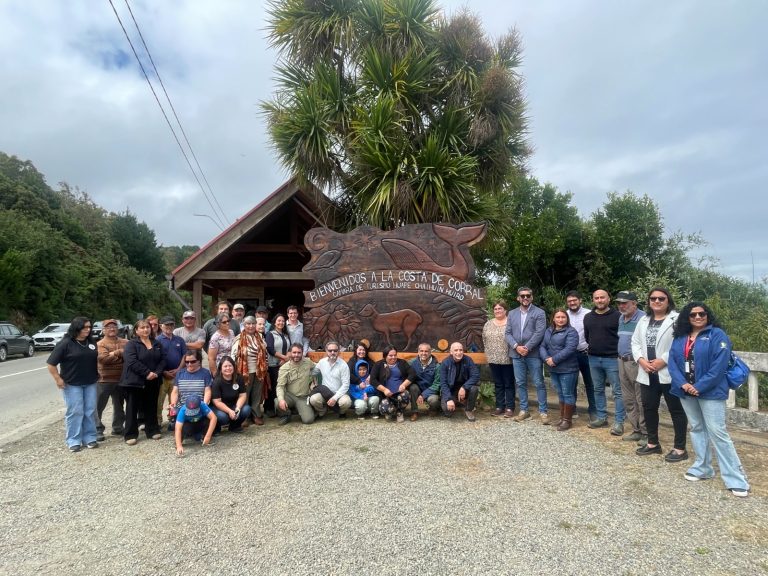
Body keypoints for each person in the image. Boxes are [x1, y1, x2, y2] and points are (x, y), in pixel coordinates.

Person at [669, 302, 750, 496]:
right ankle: (702, 468)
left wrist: (699, 386)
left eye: (701, 314)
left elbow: (719, 366)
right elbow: (672, 362)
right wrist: (683, 384)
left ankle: (736, 478)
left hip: (710, 392)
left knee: (718, 433)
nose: (697, 317)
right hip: (685, 391)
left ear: (707, 315)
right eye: (693, 314)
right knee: (696, 428)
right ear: (686, 318)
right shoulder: (680, 337)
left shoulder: (717, 335)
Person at [632, 288, 687, 461]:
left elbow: (682, 343)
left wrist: (663, 360)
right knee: (648, 408)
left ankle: (680, 448)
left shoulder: (677, 319)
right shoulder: (643, 319)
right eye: (653, 298)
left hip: (668, 372)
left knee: (676, 410)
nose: (656, 301)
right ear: (648, 301)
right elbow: (635, 342)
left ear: (668, 300)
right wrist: (641, 360)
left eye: (661, 298)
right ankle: (652, 443)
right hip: (647, 371)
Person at [46, 317, 99, 452]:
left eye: (89, 327)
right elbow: (51, 364)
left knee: (90, 410)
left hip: (91, 382)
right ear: (76, 328)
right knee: (75, 411)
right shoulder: (65, 343)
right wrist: (58, 379)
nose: (88, 330)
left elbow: (93, 359)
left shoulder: (91, 342)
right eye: (85, 327)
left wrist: (98, 372)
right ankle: (73, 440)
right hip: (72, 384)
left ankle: (90, 437)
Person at [583, 289, 624, 435]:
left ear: (608, 299)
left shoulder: (618, 316)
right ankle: (601, 417)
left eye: (602, 297)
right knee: (598, 389)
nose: (600, 300)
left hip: (612, 359)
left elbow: (622, 337)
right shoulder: (588, 317)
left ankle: (619, 422)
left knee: (618, 392)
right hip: (593, 358)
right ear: (593, 300)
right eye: (597, 298)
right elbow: (588, 337)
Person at [505, 286, 547, 423]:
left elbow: (540, 332)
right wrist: (517, 347)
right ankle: (524, 410)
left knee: (539, 382)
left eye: (528, 295)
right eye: (522, 296)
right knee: (520, 383)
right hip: (517, 354)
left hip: (533, 353)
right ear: (518, 298)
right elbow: (508, 333)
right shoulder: (512, 313)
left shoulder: (539, 313)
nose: (525, 298)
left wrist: (527, 347)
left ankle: (543, 411)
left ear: (532, 297)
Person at [120, 319, 165, 445]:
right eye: (142, 328)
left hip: (153, 381)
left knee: (151, 406)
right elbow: (131, 361)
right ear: (136, 331)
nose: (145, 330)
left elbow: (163, 359)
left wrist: (156, 372)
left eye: (147, 327)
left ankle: (152, 430)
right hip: (134, 382)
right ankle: (130, 434)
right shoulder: (131, 344)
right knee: (132, 408)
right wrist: (147, 373)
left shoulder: (157, 343)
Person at [539, 309, 579, 431]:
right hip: (554, 368)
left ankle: (567, 421)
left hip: (568, 368)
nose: (560, 319)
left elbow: (570, 349)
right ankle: (562, 418)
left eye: (563, 317)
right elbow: (542, 346)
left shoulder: (571, 332)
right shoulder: (549, 331)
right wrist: (546, 358)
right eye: (558, 317)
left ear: (567, 319)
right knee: (561, 394)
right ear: (553, 318)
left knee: (568, 394)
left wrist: (554, 359)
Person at [615, 291, 647, 443]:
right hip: (621, 361)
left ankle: (647, 433)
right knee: (628, 398)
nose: (621, 306)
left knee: (641, 398)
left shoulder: (643, 318)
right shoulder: (621, 318)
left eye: (625, 303)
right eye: (619, 303)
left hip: (636, 362)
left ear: (634, 303)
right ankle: (636, 430)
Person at [231, 315, 270, 425]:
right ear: (244, 325)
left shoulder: (260, 337)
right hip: (244, 371)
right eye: (248, 323)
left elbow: (265, 352)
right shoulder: (239, 338)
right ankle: (245, 416)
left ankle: (256, 415)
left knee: (257, 393)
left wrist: (265, 366)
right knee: (245, 394)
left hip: (259, 370)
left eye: (253, 323)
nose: (251, 326)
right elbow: (233, 355)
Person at [566, 290, 597, 420]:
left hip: (586, 354)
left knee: (591, 383)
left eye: (574, 300)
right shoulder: (564, 315)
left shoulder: (589, 314)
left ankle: (593, 411)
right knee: (571, 383)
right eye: (569, 301)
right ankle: (572, 410)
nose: (572, 303)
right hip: (570, 355)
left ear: (580, 300)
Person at [95, 318, 128, 440]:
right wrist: (119, 353)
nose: (112, 329)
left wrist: (112, 354)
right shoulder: (100, 344)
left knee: (119, 405)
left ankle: (118, 427)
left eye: (114, 326)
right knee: (99, 405)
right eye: (108, 327)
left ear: (118, 328)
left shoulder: (126, 342)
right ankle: (97, 429)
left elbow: (129, 357)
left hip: (121, 379)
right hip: (104, 380)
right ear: (103, 330)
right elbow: (103, 360)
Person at [483, 299, 515, 417]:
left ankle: (510, 407)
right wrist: (488, 352)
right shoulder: (488, 323)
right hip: (493, 358)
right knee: (498, 383)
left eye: (500, 308)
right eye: (495, 309)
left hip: (508, 358)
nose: (497, 311)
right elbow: (484, 339)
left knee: (508, 383)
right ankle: (499, 406)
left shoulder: (510, 322)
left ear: (505, 310)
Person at [170, 349, 213, 430]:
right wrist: (173, 404)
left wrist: (205, 404)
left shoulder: (205, 373)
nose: (189, 364)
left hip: (199, 405)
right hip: (182, 406)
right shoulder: (180, 373)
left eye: (193, 361)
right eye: (187, 362)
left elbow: (207, 391)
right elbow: (175, 392)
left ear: (199, 361)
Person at [275, 343, 317, 425]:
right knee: (277, 402)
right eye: (294, 352)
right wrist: (281, 400)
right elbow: (280, 386)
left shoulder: (308, 362)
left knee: (308, 420)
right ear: (290, 353)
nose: (296, 355)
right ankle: (286, 414)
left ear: (302, 353)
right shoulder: (284, 368)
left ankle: (299, 409)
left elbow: (318, 367)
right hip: (290, 396)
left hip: (303, 397)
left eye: (299, 352)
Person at [371, 345, 416, 422]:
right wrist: (384, 390)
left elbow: (412, 374)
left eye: (395, 355)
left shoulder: (402, 363)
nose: (393, 357)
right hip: (386, 395)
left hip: (399, 393)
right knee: (384, 409)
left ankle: (399, 411)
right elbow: (372, 380)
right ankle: (391, 411)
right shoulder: (378, 364)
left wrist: (404, 385)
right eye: (390, 355)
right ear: (385, 356)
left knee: (405, 395)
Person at [156, 315, 186, 427]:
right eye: (166, 324)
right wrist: (163, 371)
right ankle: (158, 420)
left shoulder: (179, 340)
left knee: (174, 399)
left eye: (171, 324)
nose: (169, 327)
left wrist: (179, 369)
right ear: (161, 326)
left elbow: (184, 355)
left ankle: (172, 419)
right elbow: (155, 358)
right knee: (159, 399)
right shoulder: (157, 340)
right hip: (162, 375)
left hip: (177, 375)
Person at [310, 341, 352, 418]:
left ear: (338, 351)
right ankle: (322, 411)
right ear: (326, 351)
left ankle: (341, 412)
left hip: (339, 394)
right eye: (330, 350)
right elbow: (313, 373)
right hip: (324, 394)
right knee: (313, 399)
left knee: (346, 402)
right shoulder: (322, 362)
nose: (332, 352)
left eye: (335, 350)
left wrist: (334, 398)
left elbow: (346, 385)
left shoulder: (343, 365)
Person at [440, 342, 480, 421]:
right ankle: (457, 403)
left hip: (465, 389)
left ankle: (469, 410)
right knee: (447, 412)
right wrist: (448, 399)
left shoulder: (468, 360)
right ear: (451, 352)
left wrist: (464, 387)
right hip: (451, 391)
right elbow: (443, 383)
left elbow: (476, 375)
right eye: (456, 350)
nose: (459, 352)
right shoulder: (445, 363)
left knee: (474, 388)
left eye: (461, 350)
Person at [210, 356, 251, 433]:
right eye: (225, 366)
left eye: (230, 366)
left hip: (234, 405)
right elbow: (217, 402)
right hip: (219, 408)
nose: (228, 368)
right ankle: (216, 427)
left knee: (246, 409)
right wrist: (229, 411)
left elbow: (242, 395)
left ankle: (234, 426)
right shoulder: (217, 381)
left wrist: (238, 408)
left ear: (234, 367)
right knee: (223, 417)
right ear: (221, 368)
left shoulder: (238, 378)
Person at [408, 342, 441, 420]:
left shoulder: (437, 366)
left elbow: (437, 384)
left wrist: (423, 395)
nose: (424, 353)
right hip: (417, 390)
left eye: (426, 351)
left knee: (433, 400)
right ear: (418, 352)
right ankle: (414, 412)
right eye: (421, 351)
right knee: (413, 387)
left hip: (431, 391)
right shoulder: (412, 363)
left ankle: (433, 409)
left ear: (430, 352)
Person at [265, 313, 290, 416]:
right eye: (279, 321)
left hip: (284, 365)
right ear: (274, 322)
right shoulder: (270, 334)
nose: (281, 323)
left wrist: (286, 358)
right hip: (273, 365)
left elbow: (290, 348)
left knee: (283, 386)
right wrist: (283, 357)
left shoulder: (286, 335)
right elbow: (270, 349)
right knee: (273, 387)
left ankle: (281, 408)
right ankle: (269, 408)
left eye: (283, 321)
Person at [207, 312, 235, 378]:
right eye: (224, 322)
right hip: (222, 368)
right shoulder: (215, 337)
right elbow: (211, 358)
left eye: (228, 321)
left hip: (232, 366)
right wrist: (215, 373)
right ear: (218, 324)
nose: (227, 323)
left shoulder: (231, 332)